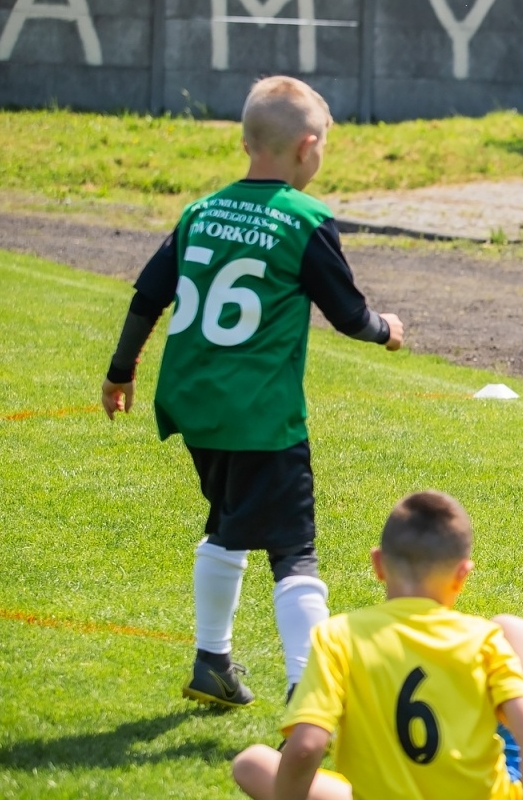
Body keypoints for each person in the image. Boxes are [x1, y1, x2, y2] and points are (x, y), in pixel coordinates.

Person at [100, 75, 404, 708]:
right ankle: (312, 693)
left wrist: (121, 371)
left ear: (245, 140)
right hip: (261, 414)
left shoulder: (201, 212)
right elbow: (349, 315)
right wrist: (387, 331)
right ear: (308, 146)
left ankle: (212, 662)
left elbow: (146, 295)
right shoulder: (304, 220)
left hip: (196, 404)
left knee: (226, 524)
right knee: (294, 549)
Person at [227, 491, 523, 800]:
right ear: (462, 574)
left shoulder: (339, 637)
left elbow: (306, 748)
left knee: (251, 763)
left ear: (378, 564)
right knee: (517, 629)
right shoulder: (484, 640)